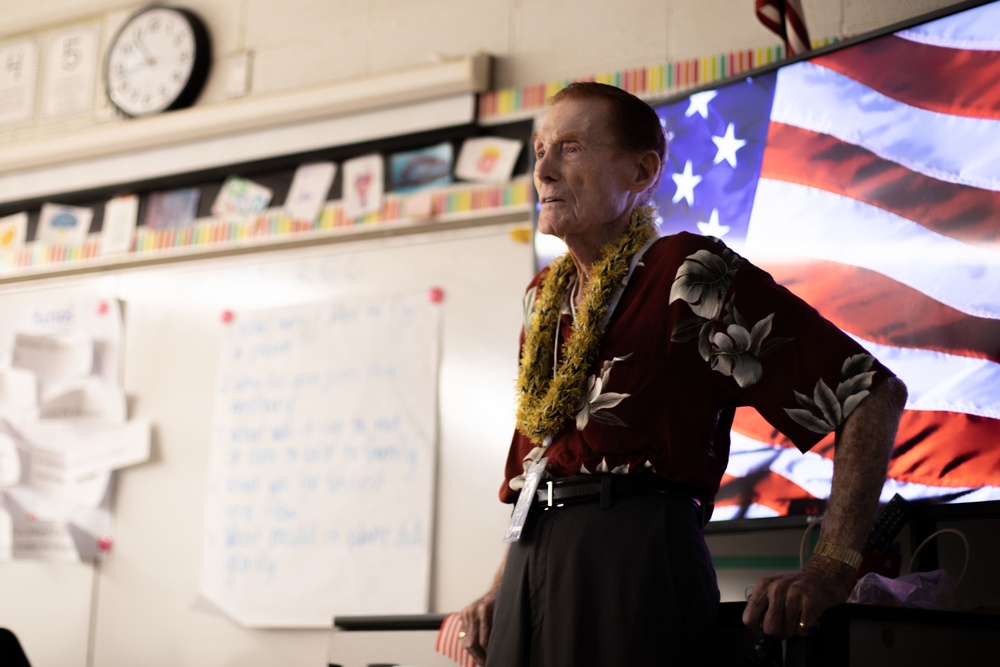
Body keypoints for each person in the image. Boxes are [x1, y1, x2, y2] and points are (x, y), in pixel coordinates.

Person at [458, 82, 908, 666]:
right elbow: (536, 468)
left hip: (633, 562)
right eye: (540, 148)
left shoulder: (687, 276)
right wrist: (500, 587)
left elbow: (870, 393)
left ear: (642, 171)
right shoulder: (543, 297)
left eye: (569, 148)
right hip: (532, 562)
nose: (542, 170)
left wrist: (831, 567)